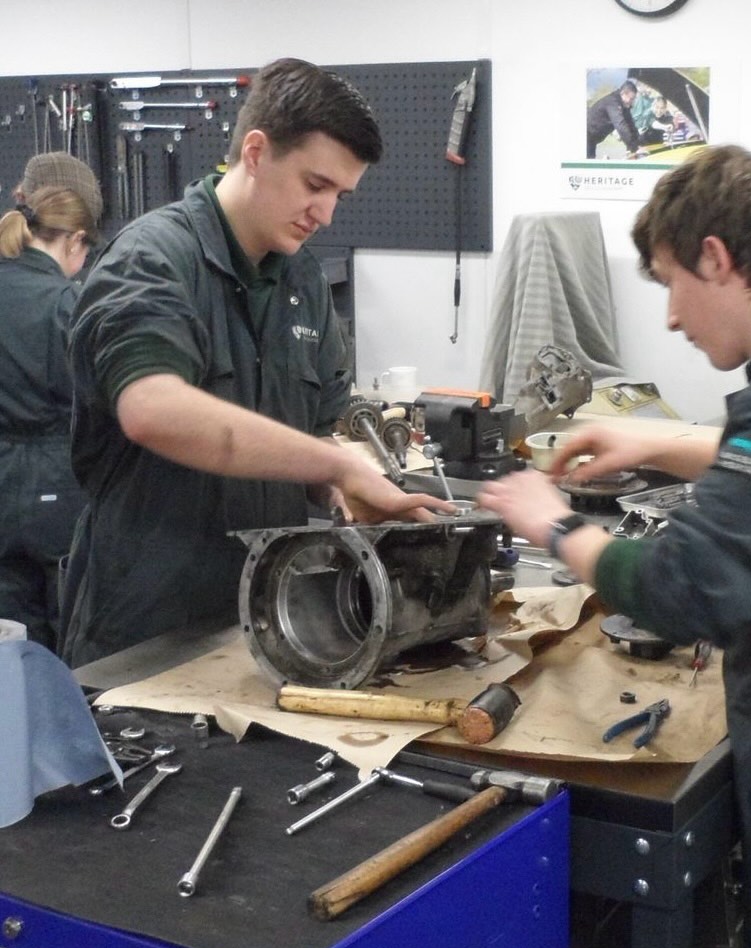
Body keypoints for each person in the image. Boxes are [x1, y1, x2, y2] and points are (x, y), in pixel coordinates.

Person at [477, 144, 751, 948]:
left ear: (716, 258)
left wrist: (554, 526)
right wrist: (657, 442)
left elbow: (683, 591)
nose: (666, 319)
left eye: (666, 283)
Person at [60, 57, 452, 668]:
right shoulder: (153, 260)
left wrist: (348, 492)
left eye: (340, 196)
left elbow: (316, 436)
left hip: (268, 623)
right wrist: (335, 464)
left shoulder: (302, 280)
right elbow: (151, 410)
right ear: (256, 151)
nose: (326, 215)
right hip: (146, 627)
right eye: (314, 185)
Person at [0, 182, 100, 649]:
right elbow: (92, 400)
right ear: (74, 240)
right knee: (70, 641)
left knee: (11, 644)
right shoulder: (64, 302)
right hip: (56, 486)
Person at [586, 80, 645, 159]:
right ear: (623, 93)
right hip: (586, 135)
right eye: (631, 99)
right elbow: (621, 125)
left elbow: (630, 125)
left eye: (633, 99)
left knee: (590, 160)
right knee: (588, 163)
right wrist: (634, 148)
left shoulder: (624, 105)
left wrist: (639, 143)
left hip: (592, 138)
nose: (632, 102)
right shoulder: (612, 102)